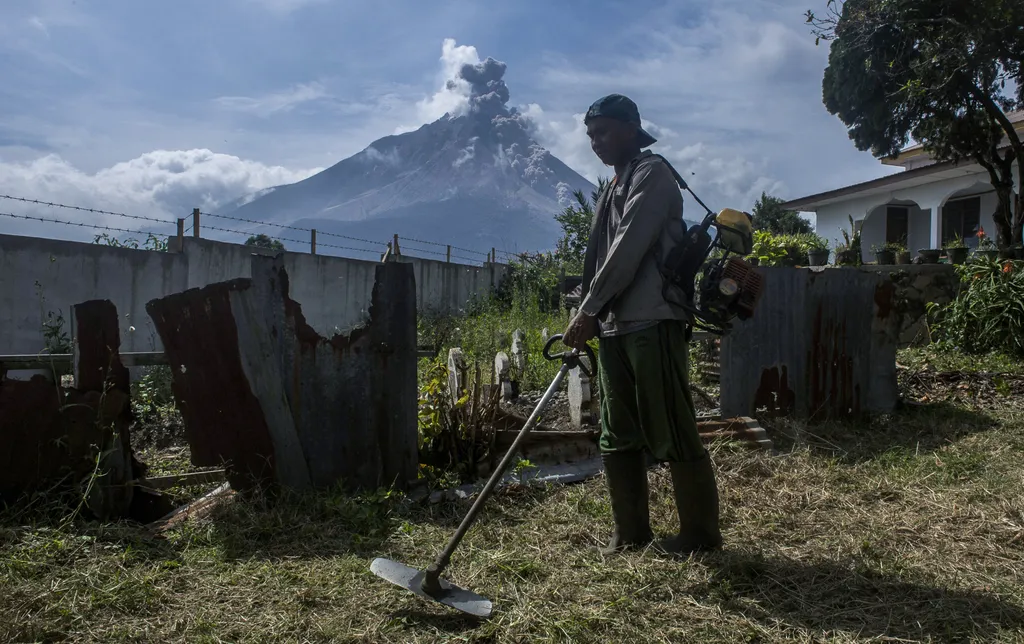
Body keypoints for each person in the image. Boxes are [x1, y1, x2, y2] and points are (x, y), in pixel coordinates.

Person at [562, 94, 723, 556]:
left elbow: (630, 245)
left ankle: (700, 535)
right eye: (591, 134)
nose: (596, 142)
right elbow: (599, 259)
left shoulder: (652, 174)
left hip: (652, 318)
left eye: (605, 131)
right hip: (614, 325)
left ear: (631, 129)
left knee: (670, 422)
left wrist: (589, 308)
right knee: (618, 429)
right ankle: (631, 533)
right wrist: (588, 310)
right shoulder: (611, 186)